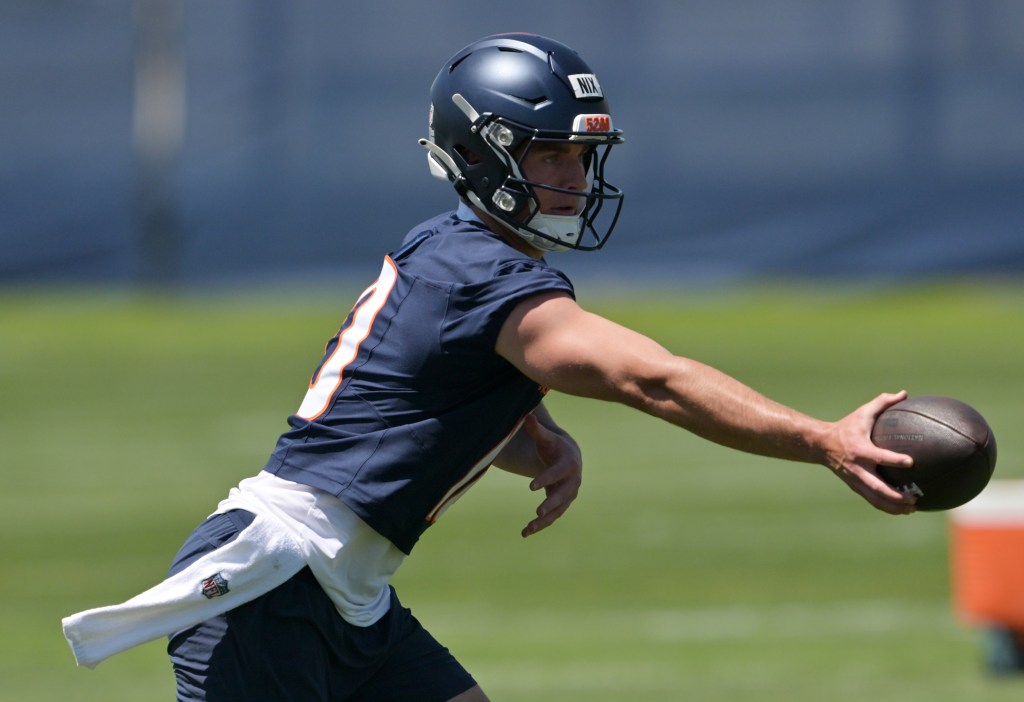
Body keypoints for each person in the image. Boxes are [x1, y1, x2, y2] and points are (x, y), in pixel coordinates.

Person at [62, 32, 917, 701]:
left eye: (581, 157)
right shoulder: (483, 272)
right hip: (277, 586)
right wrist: (822, 440)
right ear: (483, 156)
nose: (574, 179)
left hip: (345, 594)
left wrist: (532, 430)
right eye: (550, 156)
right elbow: (648, 379)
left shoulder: (457, 253)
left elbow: (421, 385)